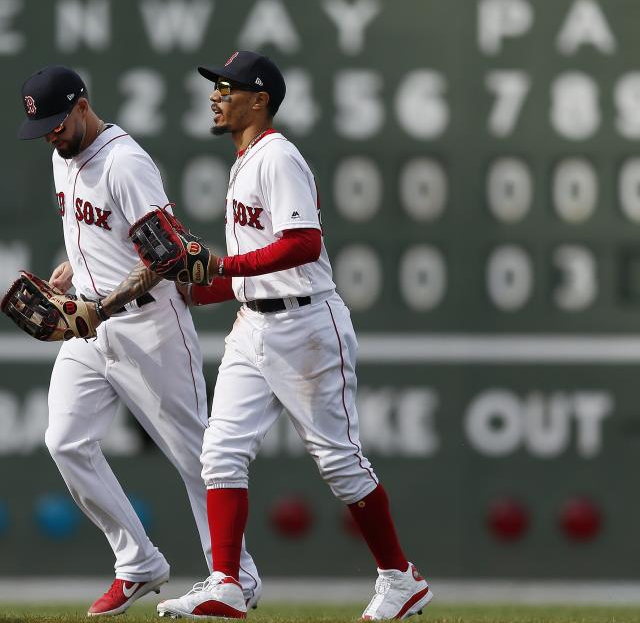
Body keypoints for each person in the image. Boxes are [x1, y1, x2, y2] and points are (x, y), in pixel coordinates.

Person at [149, 52, 433, 620]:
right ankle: (226, 582)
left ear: (260, 99)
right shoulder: (245, 161)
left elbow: (302, 244)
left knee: (339, 462)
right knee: (221, 452)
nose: (216, 96)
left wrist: (222, 266)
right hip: (254, 325)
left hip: (307, 325)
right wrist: (191, 286)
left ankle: (400, 578)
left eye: (227, 88)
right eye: (216, 87)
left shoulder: (278, 157)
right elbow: (253, 270)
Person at [16, 65, 261, 617]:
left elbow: (166, 256)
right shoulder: (62, 158)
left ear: (82, 106)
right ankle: (138, 563)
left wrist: (98, 305)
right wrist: (72, 267)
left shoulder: (125, 163)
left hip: (149, 325)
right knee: (65, 439)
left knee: (196, 454)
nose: (52, 134)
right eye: (43, 127)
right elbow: (105, 234)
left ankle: (236, 577)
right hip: (90, 323)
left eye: (58, 122)